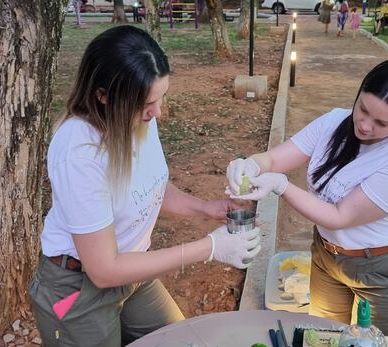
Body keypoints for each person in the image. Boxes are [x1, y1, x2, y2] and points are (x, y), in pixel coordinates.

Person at [28, 25, 262, 347]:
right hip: (77, 288)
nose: (158, 112)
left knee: (182, 341)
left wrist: (205, 208)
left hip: (133, 272)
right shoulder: (78, 152)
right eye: (147, 104)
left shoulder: (138, 117)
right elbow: (104, 270)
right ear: (103, 96)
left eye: (161, 97)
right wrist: (210, 248)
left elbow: (152, 188)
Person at [225, 60, 388, 338]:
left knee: (382, 342)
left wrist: (282, 185)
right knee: (325, 337)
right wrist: (250, 165)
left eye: (381, 122)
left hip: (384, 270)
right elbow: (274, 158)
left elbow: (339, 216)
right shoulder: (334, 122)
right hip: (327, 257)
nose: (365, 126)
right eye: (363, 109)